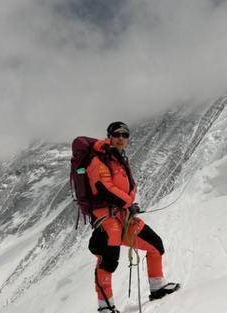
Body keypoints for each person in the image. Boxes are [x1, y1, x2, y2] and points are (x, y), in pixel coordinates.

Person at [87, 121, 180, 313]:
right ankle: (105, 307)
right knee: (107, 261)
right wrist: (128, 204)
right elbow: (104, 188)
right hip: (108, 219)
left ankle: (157, 287)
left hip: (123, 216)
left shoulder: (120, 159)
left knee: (155, 244)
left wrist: (128, 206)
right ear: (109, 136)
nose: (121, 138)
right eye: (117, 134)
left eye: (125, 135)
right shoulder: (100, 160)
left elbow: (120, 189)